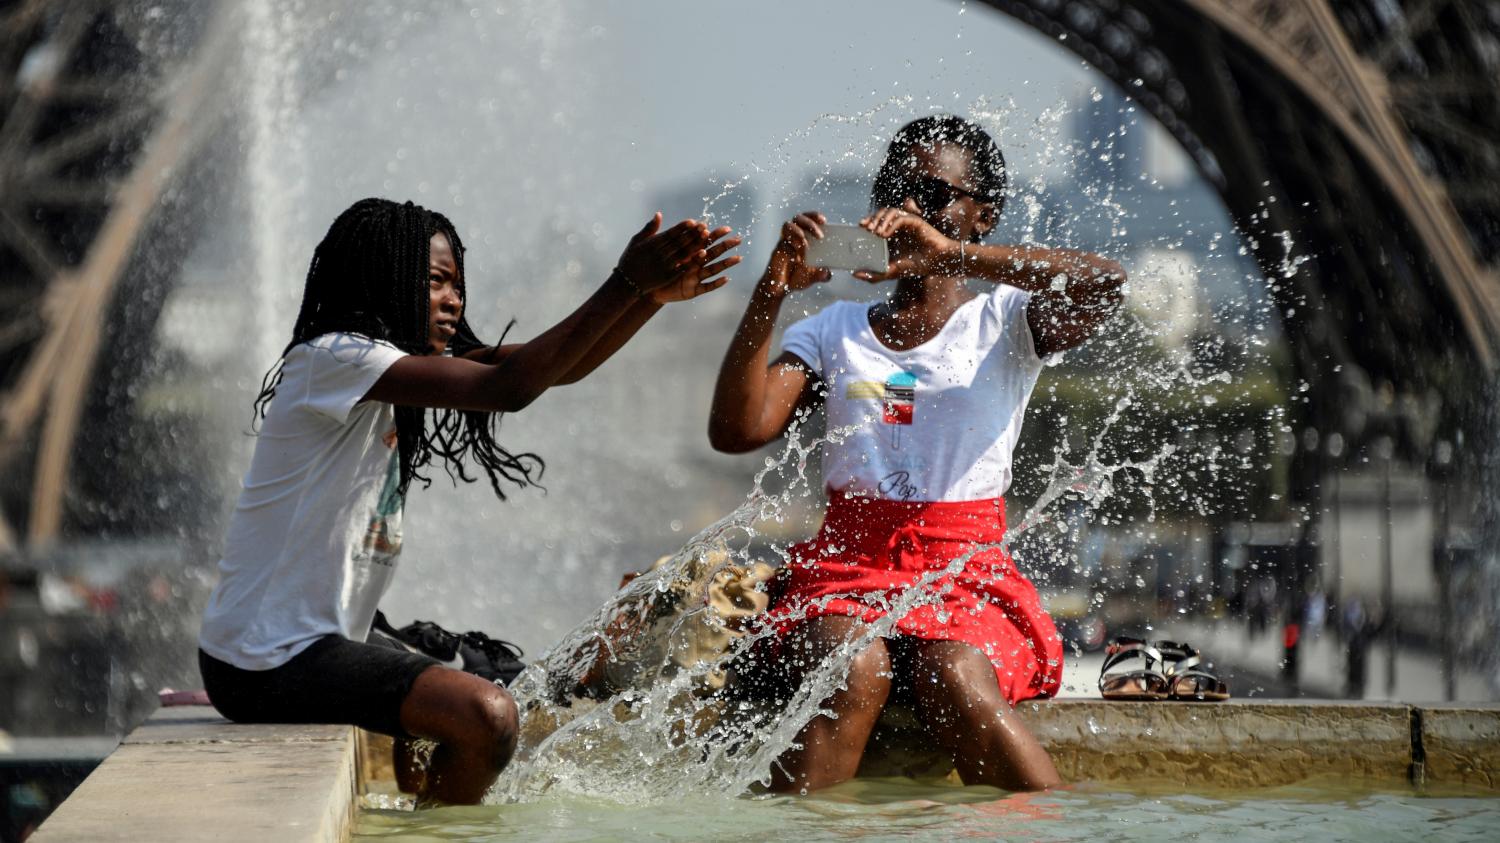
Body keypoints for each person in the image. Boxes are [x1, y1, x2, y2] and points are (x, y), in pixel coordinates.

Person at [197, 197, 739, 805]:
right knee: (488, 714)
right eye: (434, 282)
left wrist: (648, 300)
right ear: (385, 279)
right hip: (263, 660)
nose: (454, 300)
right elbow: (510, 389)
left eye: (458, 285)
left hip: (320, 643)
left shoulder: (387, 371)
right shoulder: (335, 357)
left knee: (507, 681)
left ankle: (423, 813)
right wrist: (625, 282)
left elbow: (560, 369)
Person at [709, 116, 1124, 793]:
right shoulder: (832, 330)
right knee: (850, 665)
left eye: (934, 194)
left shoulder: (1008, 320)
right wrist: (773, 289)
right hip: (847, 569)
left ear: (981, 215)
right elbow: (738, 429)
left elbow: (1106, 284)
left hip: (964, 573)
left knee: (957, 672)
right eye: (896, 189)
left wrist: (950, 256)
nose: (910, 207)